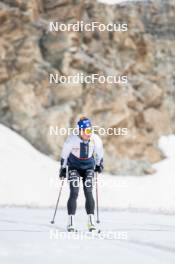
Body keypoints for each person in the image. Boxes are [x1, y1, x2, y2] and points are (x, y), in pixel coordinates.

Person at [59, 116, 104, 232]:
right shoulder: (71, 140)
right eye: (86, 131)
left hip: (88, 167)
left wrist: (99, 165)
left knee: (88, 191)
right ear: (80, 131)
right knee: (74, 192)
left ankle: (91, 222)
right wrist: (63, 169)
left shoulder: (96, 139)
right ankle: (71, 223)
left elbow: (99, 154)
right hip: (74, 167)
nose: (89, 133)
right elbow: (64, 155)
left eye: (90, 130)